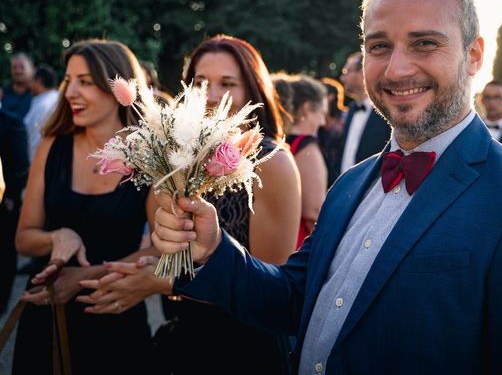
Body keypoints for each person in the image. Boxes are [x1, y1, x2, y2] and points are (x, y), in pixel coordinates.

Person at [152, 0, 502, 374]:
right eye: (379, 46)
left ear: (475, 55)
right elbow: (291, 298)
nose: (397, 69)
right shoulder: (350, 185)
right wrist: (212, 251)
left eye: (424, 43)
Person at [78, 34, 301, 375]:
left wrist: (162, 284)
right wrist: (84, 278)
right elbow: (163, 253)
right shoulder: (175, 156)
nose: (210, 96)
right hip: (185, 337)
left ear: (251, 92)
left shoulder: (272, 162)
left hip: (246, 349)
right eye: (199, 83)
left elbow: (270, 287)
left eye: (227, 83)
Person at [12, 39, 161, 374]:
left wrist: (86, 277)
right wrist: (56, 237)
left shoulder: (151, 155)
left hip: (115, 315)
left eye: (86, 82)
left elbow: (163, 248)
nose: (70, 93)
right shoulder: (53, 146)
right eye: (70, 80)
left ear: (119, 86)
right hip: (48, 317)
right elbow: (23, 238)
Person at [273, 72, 328, 249]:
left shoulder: (276, 142)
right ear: (305, 109)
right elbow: (314, 212)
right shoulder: (306, 149)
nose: (323, 121)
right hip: (296, 244)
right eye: (321, 113)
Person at [336, 51, 391, 176]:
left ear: (362, 72)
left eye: (346, 71)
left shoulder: (386, 109)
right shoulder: (351, 109)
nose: (342, 78)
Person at [0, 105, 29, 316]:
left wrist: (10, 198)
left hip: (5, 204)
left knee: (4, 254)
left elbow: (21, 165)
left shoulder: (12, 122)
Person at [23, 64, 59, 161]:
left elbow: (29, 137)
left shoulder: (43, 105)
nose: (30, 85)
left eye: (32, 80)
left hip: (38, 160)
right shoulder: (57, 99)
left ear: (39, 81)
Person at [317, 77, 348, 187]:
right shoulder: (314, 120)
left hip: (343, 176)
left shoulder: (346, 118)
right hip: (321, 178)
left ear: (330, 97)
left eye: (319, 93)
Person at [1, 53, 34, 120]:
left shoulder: (37, 94)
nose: (18, 71)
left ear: (32, 69)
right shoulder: (3, 93)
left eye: (22, 67)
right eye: (14, 67)